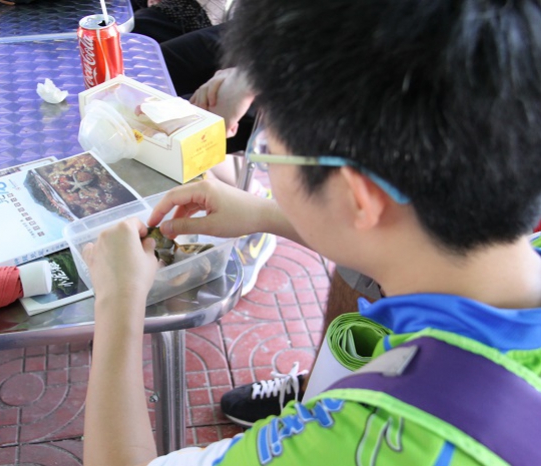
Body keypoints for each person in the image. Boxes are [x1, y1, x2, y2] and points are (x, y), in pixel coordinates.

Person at [81, 0, 541, 464]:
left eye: (268, 147)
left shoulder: (359, 440)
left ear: (357, 197)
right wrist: (263, 214)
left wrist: (118, 301)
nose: (263, 157)